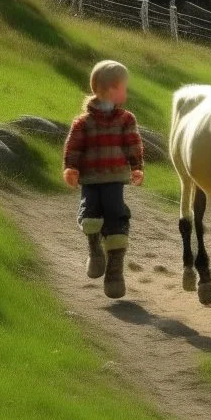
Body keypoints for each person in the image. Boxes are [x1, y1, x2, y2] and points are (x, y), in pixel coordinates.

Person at [63, 60, 144, 299]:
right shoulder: (83, 123)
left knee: (116, 217)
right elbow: (74, 148)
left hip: (115, 179)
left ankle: (115, 272)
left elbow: (132, 144)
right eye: (124, 88)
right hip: (90, 180)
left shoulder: (126, 120)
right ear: (111, 88)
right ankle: (95, 249)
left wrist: (137, 167)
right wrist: (71, 168)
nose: (126, 93)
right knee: (90, 215)